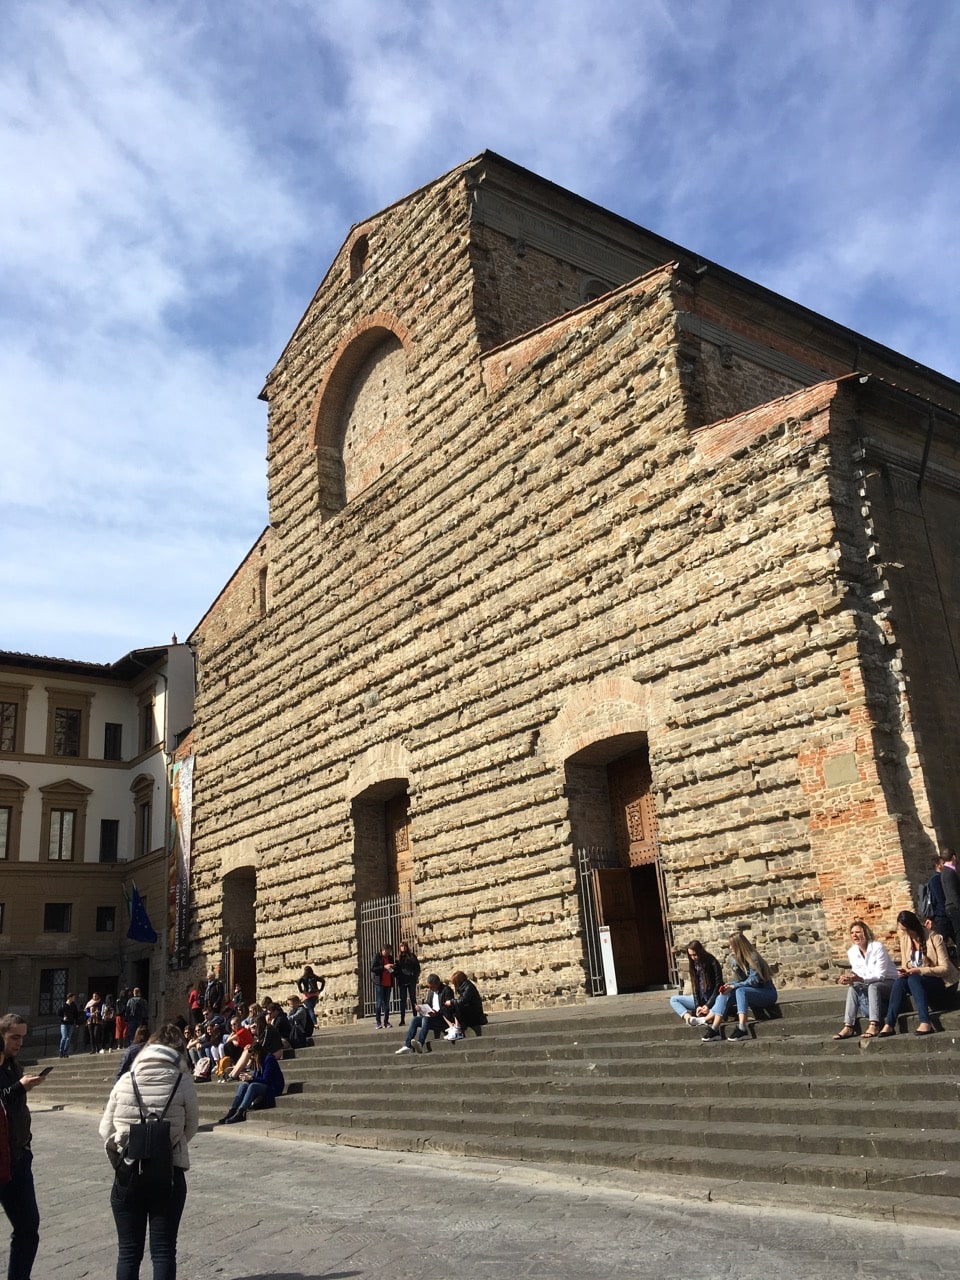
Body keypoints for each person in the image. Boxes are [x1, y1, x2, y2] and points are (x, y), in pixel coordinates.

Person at [99, 1024, 199, 1280]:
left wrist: (127, 1145)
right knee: (164, 1251)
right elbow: (192, 1126)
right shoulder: (183, 1080)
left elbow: (104, 1129)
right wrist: (167, 1144)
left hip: (129, 1171)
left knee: (128, 1252)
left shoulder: (125, 1080)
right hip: (168, 1171)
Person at [0, 1013, 46, 1280]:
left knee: (29, 1227)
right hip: (0, 1158)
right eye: (14, 1037)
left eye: (22, 1037)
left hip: (19, 1157)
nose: (19, 1043)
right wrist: (19, 1087)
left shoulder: (13, 1065)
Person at [878, 910, 959, 1037]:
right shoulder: (905, 940)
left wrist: (920, 970)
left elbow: (945, 969)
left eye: (905, 929)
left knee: (914, 979)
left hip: (943, 985)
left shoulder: (934, 938)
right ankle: (889, 1023)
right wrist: (905, 971)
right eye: (901, 930)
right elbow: (906, 965)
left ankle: (925, 1022)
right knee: (900, 982)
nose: (904, 933)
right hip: (920, 982)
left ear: (913, 927)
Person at [700, 932, 778, 1042]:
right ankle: (715, 1029)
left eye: (732, 945)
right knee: (725, 993)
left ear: (738, 945)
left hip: (767, 993)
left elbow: (754, 980)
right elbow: (738, 980)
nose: (730, 948)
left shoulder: (753, 957)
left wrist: (734, 985)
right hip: (749, 993)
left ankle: (742, 1028)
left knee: (741, 991)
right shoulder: (734, 959)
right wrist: (729, 986)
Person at [833, 920, 898, 1039]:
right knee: (853, 987)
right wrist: (850, 979)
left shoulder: (878, 947)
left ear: (865, 933)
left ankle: (874, 1024)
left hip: (889, 983)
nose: (854, 935)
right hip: (868, 985)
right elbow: (857, 973)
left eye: (858, 932)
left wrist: (860, 978)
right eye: (852, 933)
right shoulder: (852, 952)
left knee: (874, 986)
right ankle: (848, 1026)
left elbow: (881, 975)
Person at [217, 1045, 285, 1125]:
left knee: (253, 1086)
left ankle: (241, 1112)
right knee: (243, 1085)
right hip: (264, 1085)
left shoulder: (269, 1059)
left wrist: (251, 1078)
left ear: (258, 1053)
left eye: (253, 1055)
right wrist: (247, 1079)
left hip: (274, 1087)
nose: (251, 1057)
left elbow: (267, 1080)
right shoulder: (257, 1061)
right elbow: (256, 1077)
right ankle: (233, 1110)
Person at [669, 941, 724, 1026]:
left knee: (720, 1000)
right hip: (701, 999)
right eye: (690, 955)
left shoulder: (712, 962)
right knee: (674, 999)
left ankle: (709, 1015)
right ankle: (689, 1018)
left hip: (712, 998)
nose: (693, 958)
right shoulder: (694, 965)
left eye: (694, 955)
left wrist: (708, 1005)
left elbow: (718, 984)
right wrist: (698, 1005)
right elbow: (695, 988)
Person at [395, 974, 454, 1054]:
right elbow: (428, 1004)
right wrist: (421, 1008)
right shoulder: (431, 992)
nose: (430, 989)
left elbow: (448, 1007)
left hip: (443, 1018)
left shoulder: (446, 990)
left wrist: (436, 1013)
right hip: (432, 1016)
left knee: (426, 1018)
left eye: (432, 987)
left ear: (437, 983)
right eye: (429, 987)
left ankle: (420, 1043)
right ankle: (407, 1045)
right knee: (415, 1019)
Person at [442, 971, 486, 1041]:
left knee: (456, 1005)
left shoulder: (469, 987)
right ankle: (452, 1027)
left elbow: (463, 1001)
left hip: (475, 1015)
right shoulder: (462, 987)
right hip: (469, 1011)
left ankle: (457, 1030)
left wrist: (452, 1001)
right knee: (444, 1009)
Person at [395, 942, 422, 1025]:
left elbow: (417, 967)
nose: (403, 948)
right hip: (402, 981)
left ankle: (415, 1017)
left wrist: (414, 975)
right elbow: (396, 970)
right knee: (402, 1000)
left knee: (413, 999)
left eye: (404, 946)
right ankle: (402, 1019)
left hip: (411, 980)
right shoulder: (398, 958)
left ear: (406, 947)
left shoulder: (412, 956)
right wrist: (396, 975)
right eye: (401, 946)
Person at [938, 850, 960, 943]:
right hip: (954, 908)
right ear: (954, 857)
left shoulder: (946, 871)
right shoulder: (949, 872)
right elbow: (953, 893)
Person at [371, 948, 395, 1029]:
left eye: (389, 952)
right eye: (386, 952)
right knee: (379, 1003)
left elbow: (392, 970)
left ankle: (386, 1021)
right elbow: (373, 968)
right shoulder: (377, 957)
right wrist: (384, 967)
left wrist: (392, 967)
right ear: (383, 950)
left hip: (388, 983)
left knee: (387, 1004)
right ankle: (378, 1022)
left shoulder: (390, 958)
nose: (388, 954)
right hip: (379, 983)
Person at [57, 993, 83, 1058]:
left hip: (71, 1023)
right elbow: (58, 1014)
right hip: (64, 1024)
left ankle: (65, 1052)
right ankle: (61, 1051)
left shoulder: (73, 1005)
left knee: (68, 1038)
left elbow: (76, 1015)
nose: (74, 998)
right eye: (73, 997)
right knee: (64, 1037)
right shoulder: (63, 1005)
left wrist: (77, 1023)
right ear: (69, 998)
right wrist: (63, 1018)